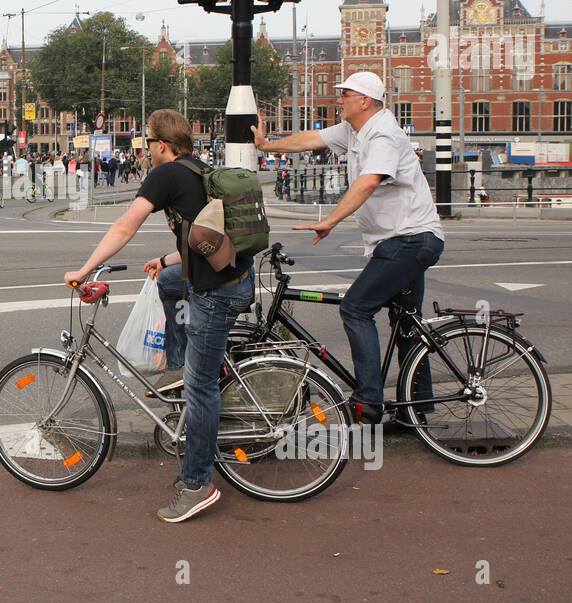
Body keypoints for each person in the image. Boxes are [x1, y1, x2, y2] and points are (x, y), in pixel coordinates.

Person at [64, 109, 255, 523]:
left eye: (147, 141)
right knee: (168, 281)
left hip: (216, 292)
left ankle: (197, 485)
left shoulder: (165, 174)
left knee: (201, 388)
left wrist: (83, 270)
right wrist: (167, 258)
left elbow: (124, 226)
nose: (145, 148)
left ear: (161, 145)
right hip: (235, 276)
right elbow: (207, 235)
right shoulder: (199, 168)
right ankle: (179, 360)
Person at [251, 70, 445, 426]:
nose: (338, 99)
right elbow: (311, 139)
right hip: (402, 240)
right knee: (406, 325)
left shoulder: (383, 133)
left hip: (410, 239)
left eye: (345, 95)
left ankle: (368, 403)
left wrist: (331, 220)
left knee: (356, 308)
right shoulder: (355, 129)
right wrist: (266, 146)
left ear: (365, 101)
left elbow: (369, 182)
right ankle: (416, 412)